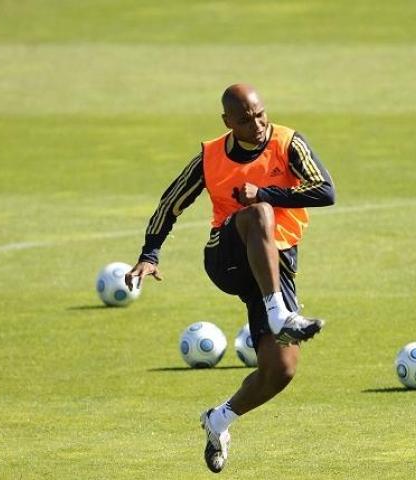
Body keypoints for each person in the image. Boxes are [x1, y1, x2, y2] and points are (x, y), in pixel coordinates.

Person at [124, 84, 335, 473]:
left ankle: (218, 421)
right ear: (227, 122)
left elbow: (325, 191)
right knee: (256, 213)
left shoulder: (289, 143)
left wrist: (265, 190)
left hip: (274, 265)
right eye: (244, 120)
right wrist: (149, 255)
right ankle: (278, 314)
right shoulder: (211, 156)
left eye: (259, 114)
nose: (256, 125)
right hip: (227, 256)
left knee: (281, 370)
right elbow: (171, 203)